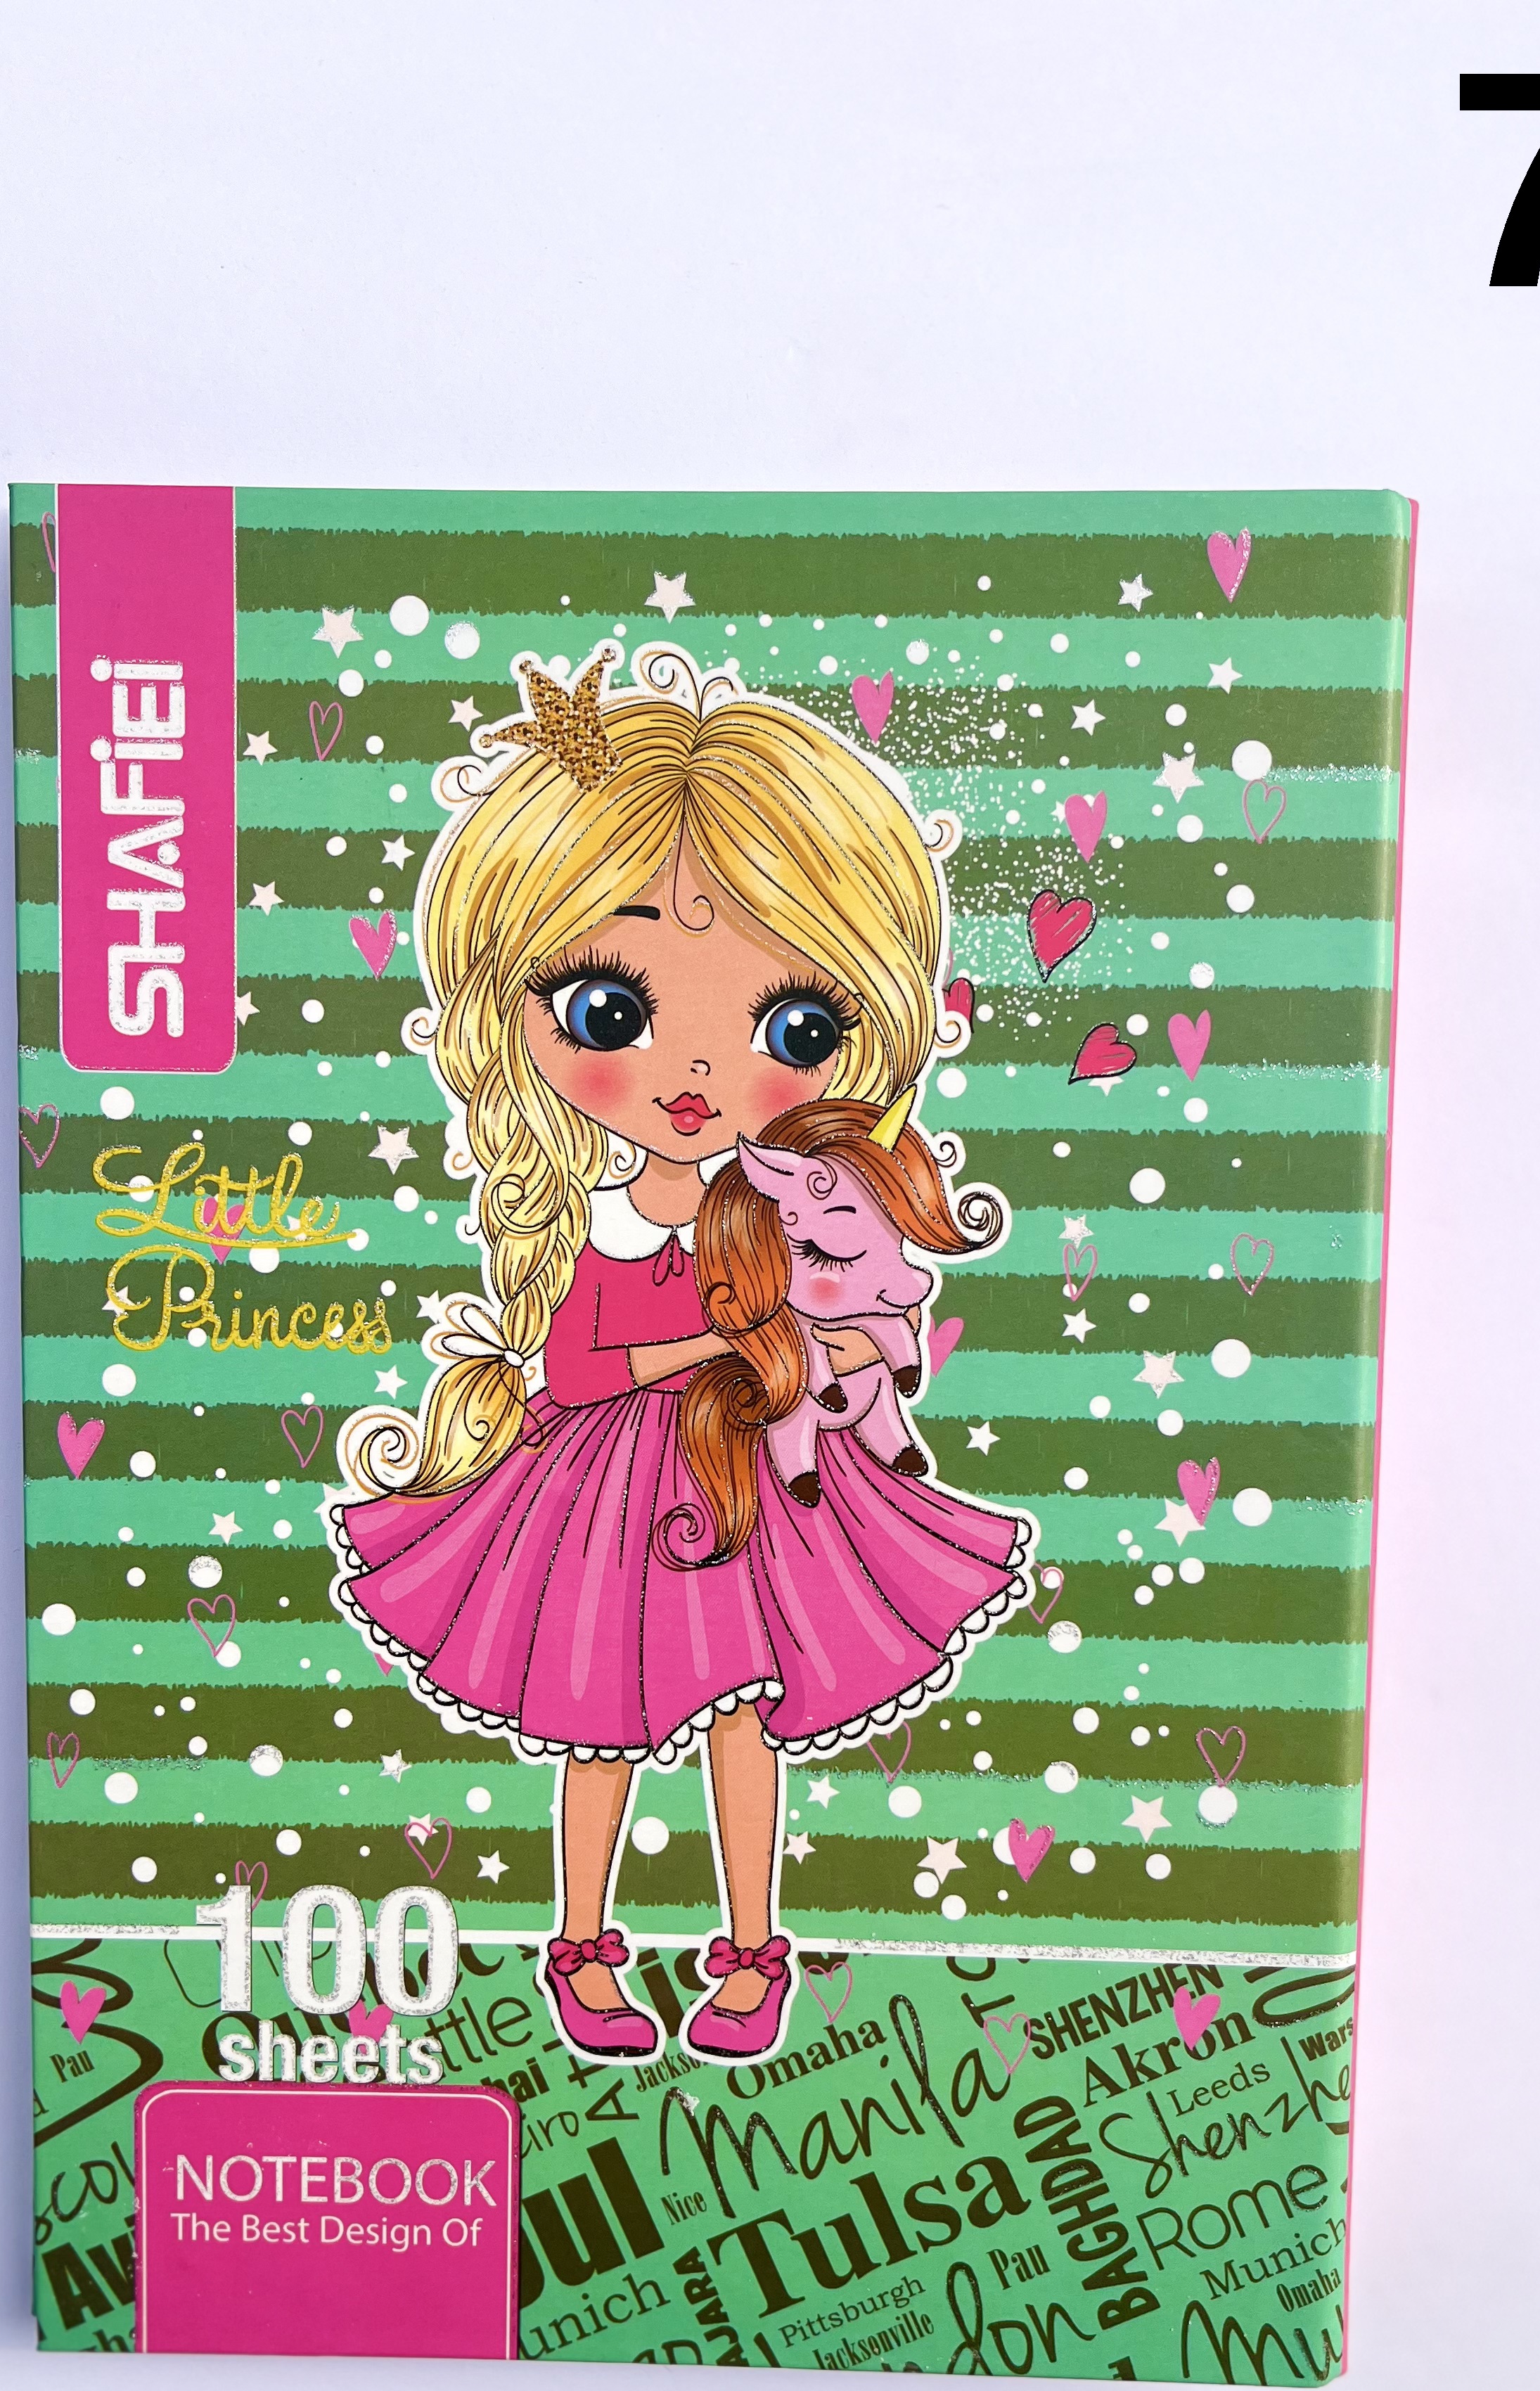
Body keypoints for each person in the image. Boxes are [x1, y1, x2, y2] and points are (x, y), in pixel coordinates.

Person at [327, 643, 1032, 2068]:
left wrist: (829, 1330)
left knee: (745, 1715)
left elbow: (840, 1304)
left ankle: (753, 1949)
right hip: (604, 1486)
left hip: (751, 1470)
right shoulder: (596, 1209)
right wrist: (712, 1334)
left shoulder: (780, 1195)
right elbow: (579, 1372)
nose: (694, 1075)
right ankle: (583, 1943)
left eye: (793, 1025)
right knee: (598, 1717)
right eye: (613, 1011)